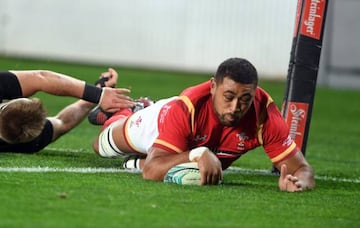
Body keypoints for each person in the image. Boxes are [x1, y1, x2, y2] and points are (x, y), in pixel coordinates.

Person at [91, 58, 315, 192]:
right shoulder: (186, 107)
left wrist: (298, 184)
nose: (236, 106)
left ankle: (138, 159)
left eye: (245, 99)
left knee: (185, 165)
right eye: (228, 96)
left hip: (185, 145)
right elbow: (151, 171)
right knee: (102, 145)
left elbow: (302, 170)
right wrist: (198, 153)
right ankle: (127, 110)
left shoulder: (264, 115)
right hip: (159, 121)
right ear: (212, 87)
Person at [0, 68, 135, 153]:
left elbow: (63, 122)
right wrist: (97, 95)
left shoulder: (24, 142)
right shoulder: (27, 143)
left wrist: (99, 93)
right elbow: (40, 78)